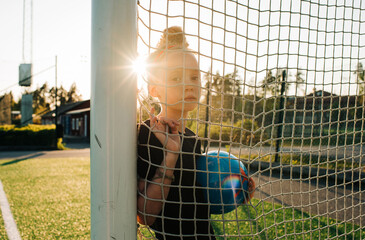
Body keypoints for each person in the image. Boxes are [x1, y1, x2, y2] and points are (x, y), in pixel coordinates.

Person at [137, 26, 256, 240]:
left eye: (194, 77)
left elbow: (196, 196)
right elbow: (146, 215)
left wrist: (238, 187)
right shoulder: (147, 134)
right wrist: (170, 156)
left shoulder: (192, 137)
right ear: (154, 89)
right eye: (175, 78)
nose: (189, 85)